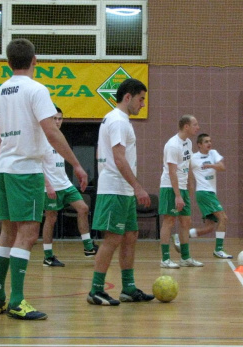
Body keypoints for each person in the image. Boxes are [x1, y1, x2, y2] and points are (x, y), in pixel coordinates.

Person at [0, 38, 88, 320]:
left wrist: (9, 153)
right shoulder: (37, 89)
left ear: (8, 62)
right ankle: (17, 301)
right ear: (35, 60)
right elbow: (52, 132)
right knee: (29, 233)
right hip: (26, 170)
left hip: (3, 169)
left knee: (7, 231)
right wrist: (77, 164)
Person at [87, 78, 154, 306]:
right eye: (141, 99)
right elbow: (118, 157)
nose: (143, 104)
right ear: (128, 97)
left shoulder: (120, 120)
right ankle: (96, 290)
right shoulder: (117, 120)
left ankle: (128, 288)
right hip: (115, 188)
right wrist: (138, 186)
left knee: (130, 236)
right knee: (112, 239)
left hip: (123, 189)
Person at [41, 107, 98, 267]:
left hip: (65, 184)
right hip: (50, 187)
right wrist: (47, 185)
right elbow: (37, 165)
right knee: (51, 218)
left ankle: (88, 247)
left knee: (83, 208)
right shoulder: (42, 139)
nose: (57, 121)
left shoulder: (61, 138)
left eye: (60, 118)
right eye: (54, 118)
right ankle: (48, 256)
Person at [159, 115, 203, 269]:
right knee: (169, 221)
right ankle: (165, 259)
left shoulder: (188, 142)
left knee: (186, 222)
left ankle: (185, 257)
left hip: (182, 187)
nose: (197, 127)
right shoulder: (172, 145)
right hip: (170, 188)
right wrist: (177, 195)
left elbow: (187, 164)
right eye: (195, 124)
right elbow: (172, 172)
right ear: (186, 126)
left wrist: (191, 183)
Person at [179, 133, 232, 259]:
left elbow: (222, 167)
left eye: (210, 141)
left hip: (211, 192)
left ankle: (181, 236)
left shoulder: (213, 153)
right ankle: (218, 250)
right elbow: (188, 177)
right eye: (206, 141)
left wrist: (210, 165)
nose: (209, 143)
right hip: (203, 192)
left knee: (209, 228)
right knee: (223, 218)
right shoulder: (193, 158)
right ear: (199, 145)